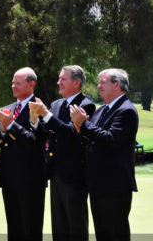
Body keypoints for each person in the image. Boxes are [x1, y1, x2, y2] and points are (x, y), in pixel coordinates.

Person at [70, 68, 138, 241]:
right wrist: (79, 127)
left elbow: (110, 139)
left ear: (116, 84)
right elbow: (91, 139)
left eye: (102, 82)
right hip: (97, 184)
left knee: (115, 232)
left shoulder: (127, 110)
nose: (98, 86)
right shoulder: (101, 110)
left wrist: (83, 125)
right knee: (102, 233)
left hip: (115, 184)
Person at [29, 65, 95, 241]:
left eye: (63, 79)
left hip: (74, 176)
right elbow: (45, 133)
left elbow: (71, 135)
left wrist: (46, 114)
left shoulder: (86, 105)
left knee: (75, 226)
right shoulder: (56, 105)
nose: (58, 82)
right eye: (59, 78)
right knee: (59, 227)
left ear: (76, 82)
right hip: (55, 173)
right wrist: (35, 120)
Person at [0, 67, 47, 241]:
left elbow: (34, 142)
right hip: (9, 178)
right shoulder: (8, 108)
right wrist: (3, 129)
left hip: (30, 179)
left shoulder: (40, 108)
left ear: (31, 85)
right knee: (13, 227)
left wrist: (11, 125)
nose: (13, 86)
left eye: (18, 83)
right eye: (13, 82)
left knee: (30, 228)